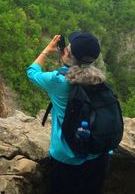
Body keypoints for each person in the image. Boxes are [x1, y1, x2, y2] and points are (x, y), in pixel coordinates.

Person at [26, 32, 110, 194]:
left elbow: (32, 72)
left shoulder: (58, 80)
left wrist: (46, 51)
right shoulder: (98, 80)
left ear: (65, 53)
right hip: (100, 155)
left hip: (68, 158)